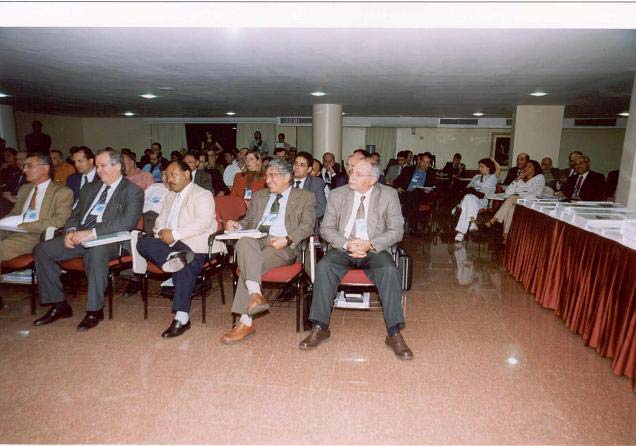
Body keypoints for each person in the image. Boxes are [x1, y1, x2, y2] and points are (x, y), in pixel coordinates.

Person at [299, 158, 412, 359]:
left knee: (389, 271)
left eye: (358, 174)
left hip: (374, 248)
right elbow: (326, 229)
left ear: (372, 179)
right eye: (351, 172)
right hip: (343, 247)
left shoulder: (388, 194)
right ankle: (320, 327)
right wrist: (346, 244)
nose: (351, 176)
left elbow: (397, 230)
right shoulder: (337, 194)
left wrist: (370, 244)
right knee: (324, 267)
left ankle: (394, 333)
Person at [32, 148, 144, 331]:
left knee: (96, 252)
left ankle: (94, 310)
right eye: (97, 166)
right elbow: (75, 215)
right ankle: (59, 304)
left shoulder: (133, 191)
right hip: (81, 236)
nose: (98, 170)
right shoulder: (89, 188)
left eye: (103, 166)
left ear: (118, 166)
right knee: (42, 249)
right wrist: (70, 231)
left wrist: (92, 233)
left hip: (112, 241)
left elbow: (126, 222)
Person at [221, 159, 316, 344]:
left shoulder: (305, 197)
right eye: (266, 176)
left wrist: (287, 239)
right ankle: (255, 294)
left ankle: (245, 322)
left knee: (250, 264)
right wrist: (238, 225)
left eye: (272, 176)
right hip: (257, 239)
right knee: (244, 242)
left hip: (282, 244)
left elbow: (307, 226)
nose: (267, 180)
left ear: (287, 177)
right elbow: (249, 221)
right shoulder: (259, 196)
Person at [136, 160, 217, 338]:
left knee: (185, 261)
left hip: (194, 242)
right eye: (167, 175)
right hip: (170, 244)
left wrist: (175, 234)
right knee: (142, 242)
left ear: (187, 174)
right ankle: (174, 259)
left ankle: (182, 317)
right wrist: (161, 232)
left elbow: (202, 223)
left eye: (174, 175)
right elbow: (159, 221)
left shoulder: (202, 194)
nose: (169, 179)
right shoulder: (170, 196)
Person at [0, 153, 73, 272]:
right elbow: (15, 213)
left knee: (2, 247)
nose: (24, 170)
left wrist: (28, 226)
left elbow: (60, 220)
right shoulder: (24, 189)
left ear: (45, 168)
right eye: (25, 166)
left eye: (29, 166)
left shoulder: (62, 192)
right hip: (14, 230)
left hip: (37, 235)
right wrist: (3, 222)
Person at [485, 160, 545, 241]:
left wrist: (517, 191)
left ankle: (494, 219)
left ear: (535, 169)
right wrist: (517, 179)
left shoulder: (540, 177)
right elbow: (508, 192)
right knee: (511, 208)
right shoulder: (521, 179)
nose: (526, 168)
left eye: (529, 166)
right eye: (526, 166)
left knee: (512, 197)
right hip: (519, 202)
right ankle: (505, 236)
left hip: (532, 203)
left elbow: (530, 190)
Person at [452, 158, 498, 243]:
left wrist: (473, 190)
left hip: (482, 201)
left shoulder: (492, 178)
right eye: (479, 166)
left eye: (482, 166)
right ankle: (472, 222)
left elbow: (483, 194)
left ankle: (461, 232)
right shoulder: (476, 177)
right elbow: (468, 187)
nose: (479, 168)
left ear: (488, 168)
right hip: (471, 200)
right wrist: (472, 191)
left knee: (468, 198)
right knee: (468, 197)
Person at [394, 152, 437, 234]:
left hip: (422, 196)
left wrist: (429, 190)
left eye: (427, 162)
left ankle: (408, 219)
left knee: (416, 192)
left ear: (430, 164)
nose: (425, 164)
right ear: (419, 161)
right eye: (423, 161)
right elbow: (396, 181)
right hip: (406, 194)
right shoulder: (408, 169)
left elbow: (434, 187)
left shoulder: (431, 173)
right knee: (413, 196)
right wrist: (398, 187)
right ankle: (413, 227)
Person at [293, 151, 327, 231]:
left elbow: (321, 208)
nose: (297, 167)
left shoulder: (316, 183)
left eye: (302, 165)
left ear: (309, 169)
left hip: (307, 225)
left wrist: (300, 218)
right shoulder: (285, 180)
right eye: (295, 164)